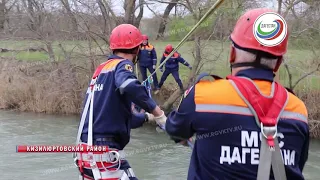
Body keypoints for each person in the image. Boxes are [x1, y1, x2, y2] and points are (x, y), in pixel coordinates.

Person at [159, 8, 309, 180]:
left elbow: (175, 130)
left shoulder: (203, 96)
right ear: (278, 63)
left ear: (232, 53)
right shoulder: (298, 109)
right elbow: (298, 163)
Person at [74, 24, 167, 180]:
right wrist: (158, 113)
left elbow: (115, 116)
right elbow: (129, 85)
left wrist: (146, 118)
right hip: (104, 154)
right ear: (137, 49)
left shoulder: (101, 70)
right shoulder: (123, 65)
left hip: (86, 153)